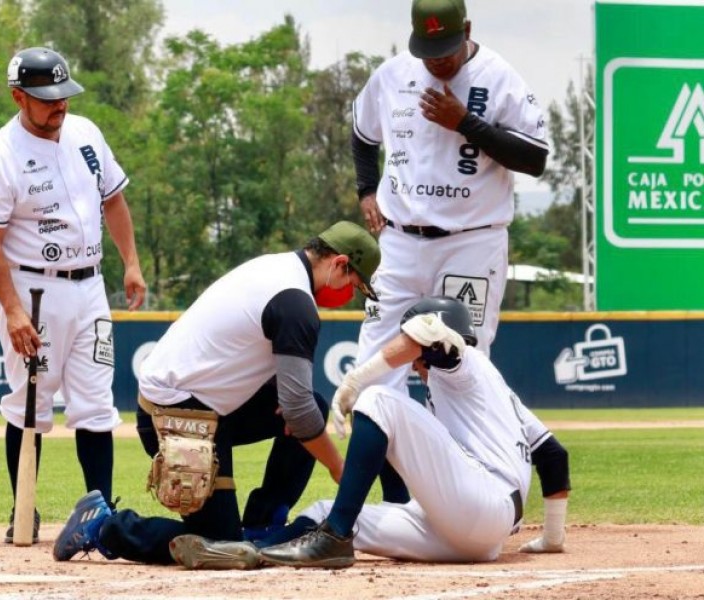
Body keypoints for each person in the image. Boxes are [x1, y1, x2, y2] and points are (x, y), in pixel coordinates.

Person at [52, 221, 381, 564]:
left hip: (205, 402)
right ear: (340, 264)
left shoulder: (276, 267)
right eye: (353, 284)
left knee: (312, 406)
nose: (348, 295)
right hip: (174, 413)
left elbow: (266, 371)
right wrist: (338, 467)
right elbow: (296, 410)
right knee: (222, 546)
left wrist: (291, 405)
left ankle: (261, 523)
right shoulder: (295, 303)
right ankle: (106, 527)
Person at [168, 296, 570, 569]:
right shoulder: (500, 395)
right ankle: (251, 551)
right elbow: (554, 456)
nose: (412, 362)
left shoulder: (465, 367)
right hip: (476, 536)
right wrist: (552, 538)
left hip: (483, 506)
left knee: (378, 400)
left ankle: (335, 537)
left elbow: (428, 332)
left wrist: (357, 379)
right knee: (322, 511)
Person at [0, 46, 146, 544]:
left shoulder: (86, 133)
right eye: (47, 98)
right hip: (33, 290)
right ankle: (23, 509)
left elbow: (114, 199)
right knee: (30, 403)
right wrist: (14, 311)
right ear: (18, 97)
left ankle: (102, 512)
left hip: (90, 286)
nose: (59, 105)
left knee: (95, 403)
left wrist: (130, 262)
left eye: (64, 95)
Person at [352, 0, 550, 395]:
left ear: (468, 31)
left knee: (461, 363)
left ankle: (464, 458)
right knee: (373, 367)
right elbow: (362, 134)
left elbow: (535, 159)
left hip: (471, 241)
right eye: (428, 51)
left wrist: (465, 122)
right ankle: (377, 458)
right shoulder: (392, 74)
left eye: (445, 51)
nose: (436, 62)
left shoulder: (498, 77)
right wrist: (367, 189)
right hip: (400, 241)